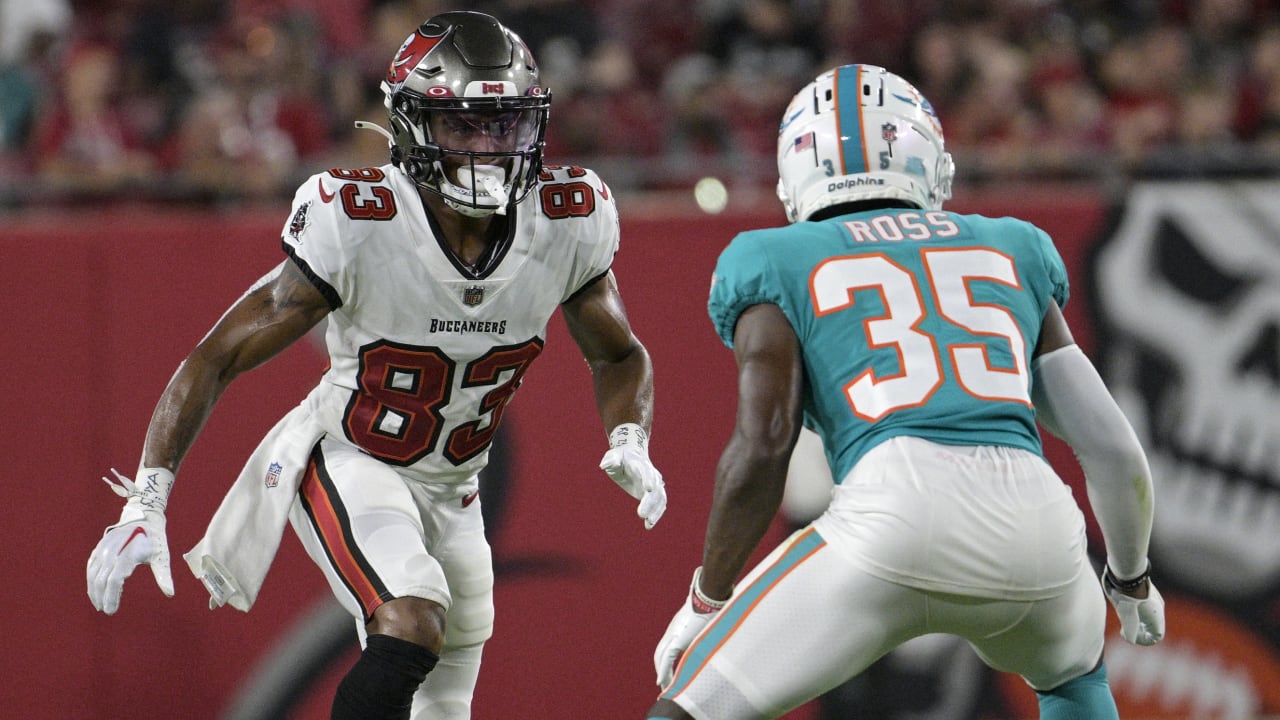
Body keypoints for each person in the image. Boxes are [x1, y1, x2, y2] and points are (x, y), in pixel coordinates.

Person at [85, 11, 667, 720]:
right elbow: (217, 357)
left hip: (457, 491)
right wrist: (147, 495)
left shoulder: (569, 216)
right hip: (353, 457)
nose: (487, 148)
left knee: (442, 707)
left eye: (504, 124)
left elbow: (619, 353)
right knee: (410, 622)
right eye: (461, 126)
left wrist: (630, 436)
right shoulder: (361, 217)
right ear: (412, 126)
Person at [646, 64, 1165, 720]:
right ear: (928, 162)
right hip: (1039, 527)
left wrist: (707, 600)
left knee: (686, 710)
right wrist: (1130, 576)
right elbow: (1113, 448)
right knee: (1073, 685)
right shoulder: (1012, 245)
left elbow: (764, 445)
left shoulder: (771, 257)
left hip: (890, 514)